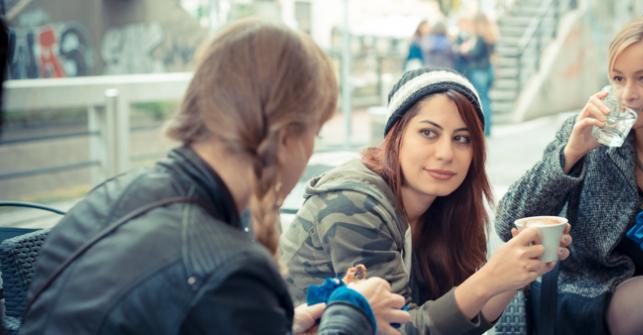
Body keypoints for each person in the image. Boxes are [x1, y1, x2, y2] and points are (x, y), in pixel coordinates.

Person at [20, 19, 410, 335]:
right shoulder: (229, 270)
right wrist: (353, 312)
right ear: (287, 136)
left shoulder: (108, 197)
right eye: (315, 132)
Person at [494, 15, 643, 335]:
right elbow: (508, 221)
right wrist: (570, 155)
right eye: (618, 78)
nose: (627, 95)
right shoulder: (586, 135)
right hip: (583, 297)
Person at [280, 67, 572, 334]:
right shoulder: (356, 203)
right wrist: (491, 277)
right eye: (428, 133)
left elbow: (455, 320)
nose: (446, 153)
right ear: (396, 136)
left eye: (462, 138)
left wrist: (515, 274)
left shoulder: (443, 206)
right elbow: (398, 329)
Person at [458, 12, 496, 136]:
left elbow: (475, 53)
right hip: (488, 70)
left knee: (481, 100)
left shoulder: (480, 37)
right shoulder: (491, 35)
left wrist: (466, 50)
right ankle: (488, 128)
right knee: (486, 99)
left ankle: (484, 129)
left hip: (479, 71)